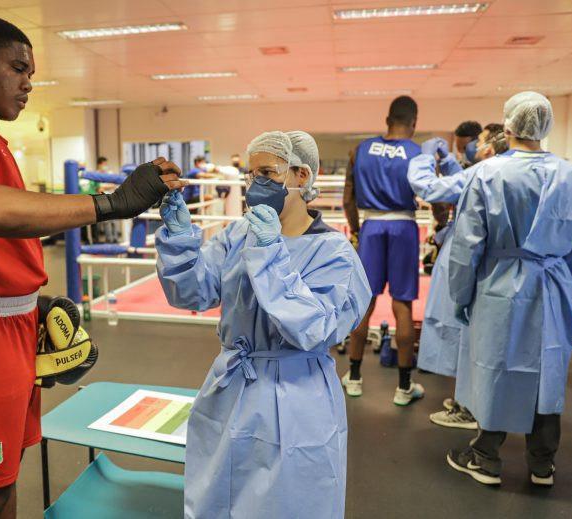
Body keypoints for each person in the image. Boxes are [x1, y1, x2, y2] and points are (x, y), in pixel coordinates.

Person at [0, 17, 185, 519]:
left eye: (30, 73)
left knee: (6, 474)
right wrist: (109, 203)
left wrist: (29, 303)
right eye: (17, 69)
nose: (28, 84)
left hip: (5, 326)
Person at [156, 130, 371, 518]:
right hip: (232, 386)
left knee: (286, 501)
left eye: (268, 173)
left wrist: (271, 253)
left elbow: (315, 328)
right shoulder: (240, 234)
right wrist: (178, 239)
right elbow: (193, 292)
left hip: (294, 394)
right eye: (251, 175)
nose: (257, 184)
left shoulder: (334, 252)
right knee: (218, 495)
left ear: (301, 176)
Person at [445, 92, 572, 487]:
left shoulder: (487, 174)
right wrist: (561, 279)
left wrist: (461, 296)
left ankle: (486, 454)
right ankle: (542, 462)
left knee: (497, 363)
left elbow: (467, 245)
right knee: (548, 367)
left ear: (507, 128)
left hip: (500, 284)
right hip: (554, 282)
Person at [408, 126, 507, 430]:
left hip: (477, 264)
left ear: (490, 148)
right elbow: (463, 180)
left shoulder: (486, 172)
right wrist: (450, 162)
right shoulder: (515, 172)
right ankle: (472, 404)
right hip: (503, 269)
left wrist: (425, 158)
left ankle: (470, 409)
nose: (475, 145)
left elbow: (428, 187)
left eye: (480, 141)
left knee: (468, 336)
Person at [342, 95, 425, 405]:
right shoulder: (418, 153)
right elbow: (438, 196)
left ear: (387, 119)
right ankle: (404, 388)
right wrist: (442, 222)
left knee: (364, 302)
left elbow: (348, 198)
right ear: (414, 123)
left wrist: (356, 230)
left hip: (372, 227)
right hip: (404, 226)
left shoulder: (361, 150)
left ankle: (354, 377)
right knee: (402, 305)